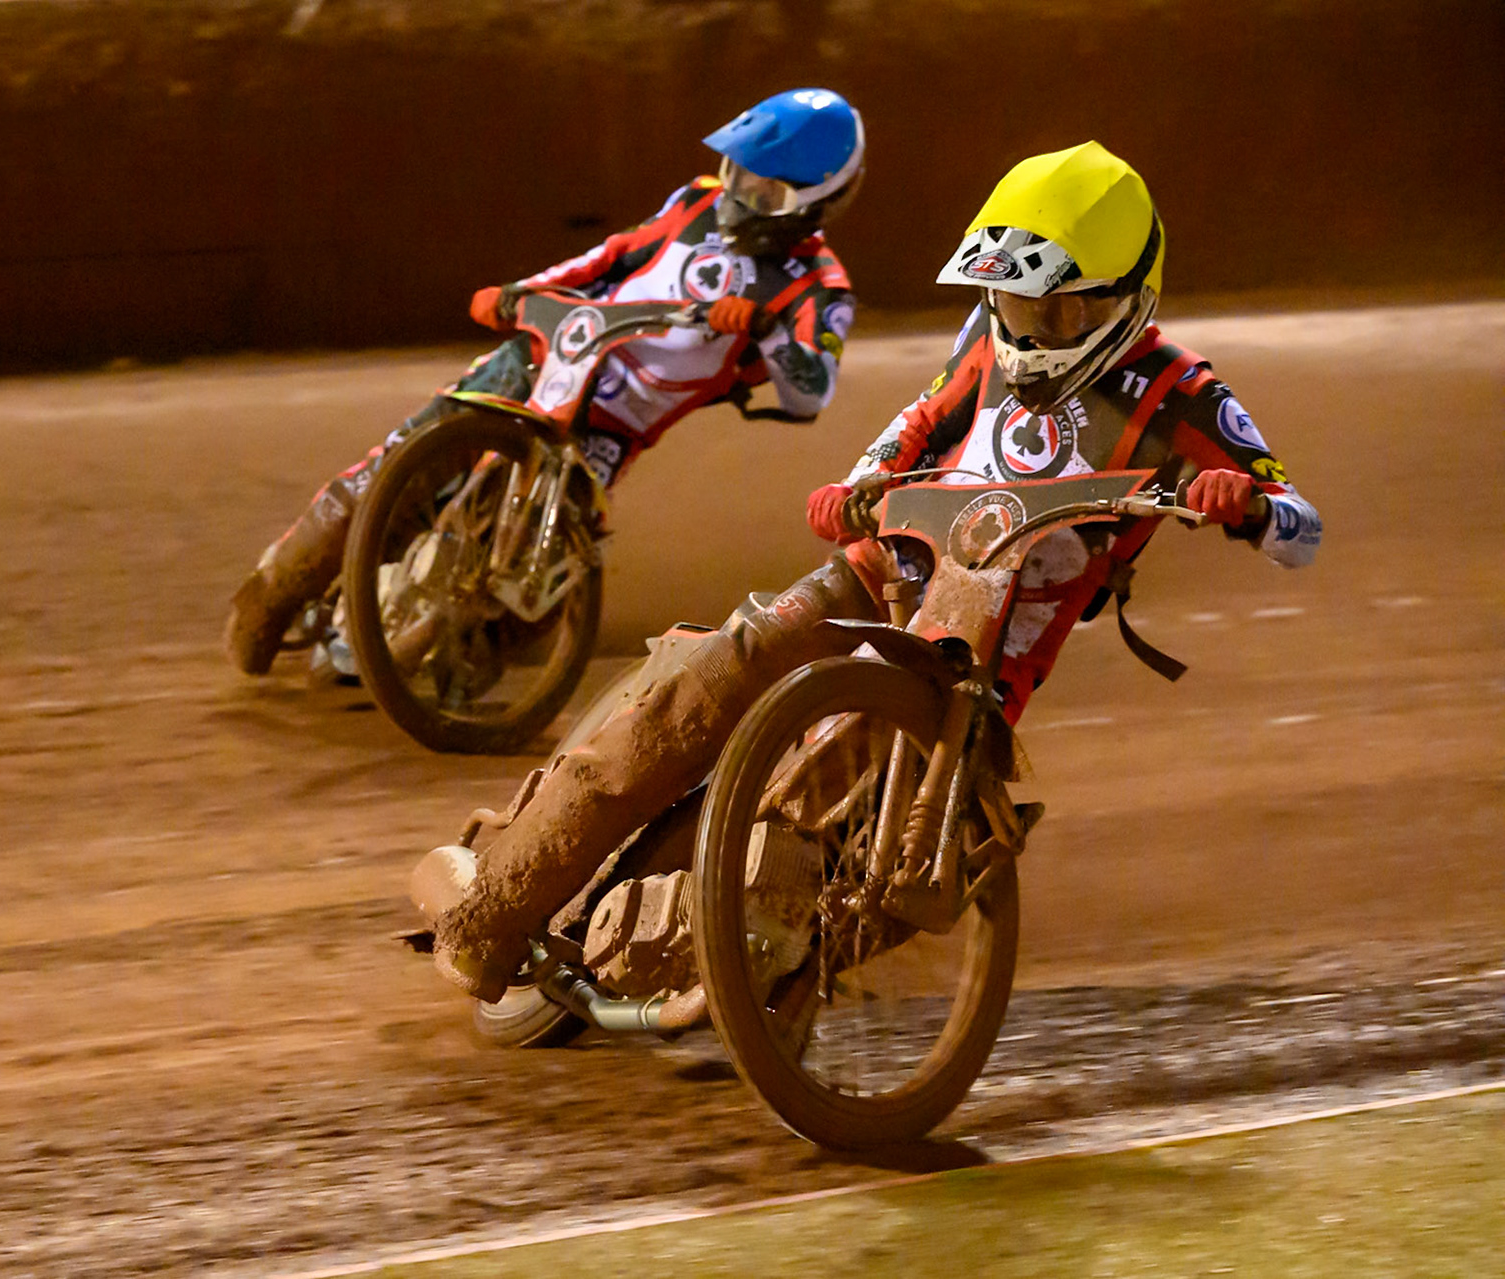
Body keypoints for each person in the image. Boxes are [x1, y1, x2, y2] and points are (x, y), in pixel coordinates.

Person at [429, 140, 1322, 1003]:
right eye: (1013, 306)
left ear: (1125, 299)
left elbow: (1300, 525)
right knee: (696, 694)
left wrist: (1244, 504)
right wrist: (857, 489)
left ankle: (690, 959)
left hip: (972, 665)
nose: (1029, 329)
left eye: (1059, 312)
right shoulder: (986, 349)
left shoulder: (1182, 393)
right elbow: (913, 424)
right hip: (874, 578)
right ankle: (493, 906)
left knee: (809, 821)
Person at [223, 88, 868, 678]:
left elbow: (810, 391)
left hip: (611, 429)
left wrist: (767, 331)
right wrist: (519, 294)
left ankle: (418, 637)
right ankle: (272, 591)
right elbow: (610, 257)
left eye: (765, 192)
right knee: (386, 477)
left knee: (533, 608)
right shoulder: (695, 200)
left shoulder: (819, 286)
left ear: (816, 202)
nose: (740, 197)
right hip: (545, 357)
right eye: (738, 175)